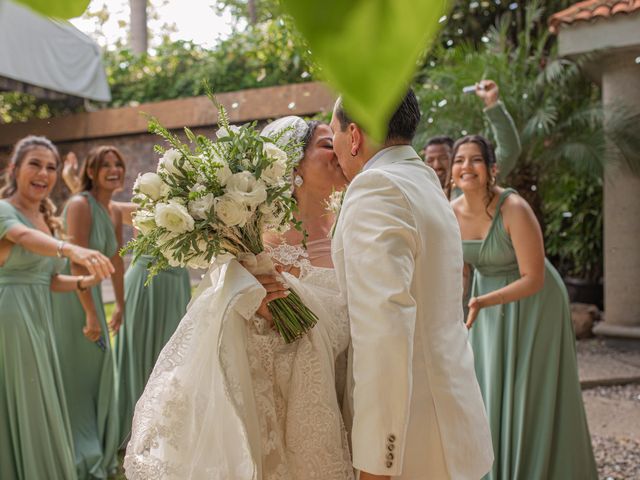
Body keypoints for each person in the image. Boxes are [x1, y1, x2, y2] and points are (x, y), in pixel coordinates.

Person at [124, 117, 354, 479]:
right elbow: (219, 306)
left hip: (350, 389)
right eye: (327, 145)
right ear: (293, 164)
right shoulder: (254, 242)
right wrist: (252, 296)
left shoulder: (352, 226)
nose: (340, 151)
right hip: (286, 406)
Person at [329, 91, 494, 479]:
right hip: (453, 420)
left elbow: (384, 330)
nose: (334, 146)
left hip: (412, 443)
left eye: (334, 133)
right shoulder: (424, 181)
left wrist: (376, 459)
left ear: (353, 136)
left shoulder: (376, 189)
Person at [450, 135, 597, 479]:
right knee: (487, 387)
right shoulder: (449, 211)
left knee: (528, 391)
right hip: (483, 304)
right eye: (460, 160)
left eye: (475, 160)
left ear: (492, 169)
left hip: (534, 304)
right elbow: (458, 270)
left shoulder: (513, 208)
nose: (466, 167)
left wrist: (483, 300)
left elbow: (534, 277)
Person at [0, 136, 113, 480]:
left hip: (39, 318)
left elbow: (47, 281)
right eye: (34, 164)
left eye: (51, 167)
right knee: (24, 398)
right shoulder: (5, 211)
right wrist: (71, 250)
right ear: (14, 169)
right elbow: (21, 238)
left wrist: (84, 282)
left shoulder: (47, 220)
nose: (44, 173)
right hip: (10, 317)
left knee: (40, 396)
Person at [61, 154, 193, 448]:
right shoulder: (140, 208)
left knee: (174, 353)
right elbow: (97, 207)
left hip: (176, 287)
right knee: (138, 353)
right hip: (145, 284)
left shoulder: (198, 210)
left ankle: (168, 429)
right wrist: (72, 181)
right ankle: (135, 427)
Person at [51, 145, 126, 479]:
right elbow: (74, 259)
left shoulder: (114, 212)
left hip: (94, 294)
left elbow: (118, 260)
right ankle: (76, 447)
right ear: (91, 172)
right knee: (80, 373)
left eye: (118, 164)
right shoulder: (79, 204)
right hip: (73, 298)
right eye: (105, 165)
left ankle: (95, 440)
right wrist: (91, 314)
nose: (114, 170)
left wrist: (121, 303)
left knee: (99, 369)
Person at [422, 80, 521, 199]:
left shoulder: (474, 182)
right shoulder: (420, 195)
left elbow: (509, 150)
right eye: (430, 160)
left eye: (443, 158)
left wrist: (492, 104)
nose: (437, 165)